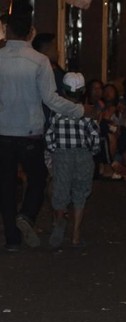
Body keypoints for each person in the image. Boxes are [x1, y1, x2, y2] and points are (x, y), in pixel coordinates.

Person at [0, 11, 87, 251]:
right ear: (30, 33)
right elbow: (51, 99)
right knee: (37, 179)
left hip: (3, 132)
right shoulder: (39, 61)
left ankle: (12, 240)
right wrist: (79, 110)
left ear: (7, 31)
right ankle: (26, 215)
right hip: (30, 132)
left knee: (6, 185)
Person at [45, 72, 101, 249]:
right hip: (83, 155)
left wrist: (54, 151)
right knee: (80, 194)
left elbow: (49, 136)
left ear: (63, 91)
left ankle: (59, 221)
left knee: (60, 191)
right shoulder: (88, 113)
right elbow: (95, 136)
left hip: (62, 155)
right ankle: (76, 234)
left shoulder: (57, 113)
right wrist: (91, 151)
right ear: (84, 91)